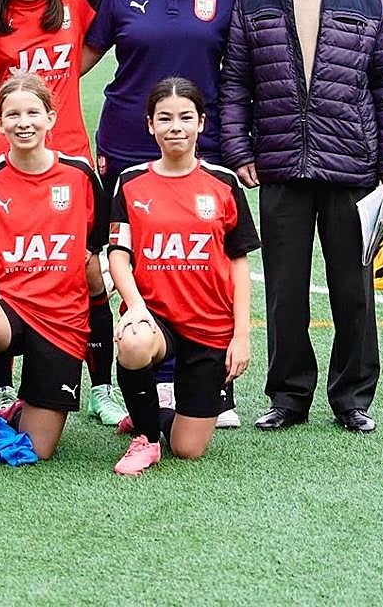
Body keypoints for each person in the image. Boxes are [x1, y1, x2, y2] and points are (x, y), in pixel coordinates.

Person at [220, 0, 383, 434]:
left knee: (354, 291)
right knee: (284, 293)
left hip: (353, 164)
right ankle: (287, 397)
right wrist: (238, 148)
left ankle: (352, 398)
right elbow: (235, 80)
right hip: (280, 164)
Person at [83, 0, 242, 428]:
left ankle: (211, 382)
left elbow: (240, 73)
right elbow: (75, 61)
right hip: (127, 143)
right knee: (141, 262)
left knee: (203, 262)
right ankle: (153, 380)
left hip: (203, 146)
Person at [0, 0, 122, 425]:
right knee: (6, 270)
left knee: (86, 269)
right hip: (4, 157)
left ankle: (102, 387)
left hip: (69, 157)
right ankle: (2, 387)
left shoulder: (75, 1)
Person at [0, 75, 105, 479]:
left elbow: (94, 246)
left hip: (63, 319)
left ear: (51, 117)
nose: (24, 122)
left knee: (38, 449)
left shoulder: (80, 176)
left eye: (33, 112)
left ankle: (20, 407)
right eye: (12, 114)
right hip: (9, 308)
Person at [108, 78, 259, 475]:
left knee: (189, 449)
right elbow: (119, 256)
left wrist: (240, 336)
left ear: (201, 123)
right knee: (135, 340)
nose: (175, 126)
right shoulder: (131, 182)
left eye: (185, 117)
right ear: (150, 125)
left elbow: (239, 264)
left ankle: (150, 414)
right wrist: (136, 308)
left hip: (209, 326)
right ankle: (145, 436)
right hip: (156, 317)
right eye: (165, 118)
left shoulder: (224, 183)